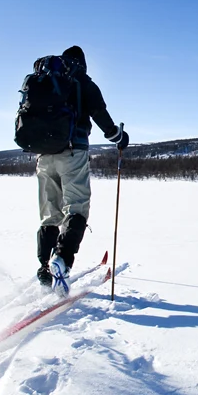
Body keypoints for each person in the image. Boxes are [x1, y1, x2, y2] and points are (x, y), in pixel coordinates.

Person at [35, 45, 128, 295]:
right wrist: (118, 137)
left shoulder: (45, 79)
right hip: (72, 152)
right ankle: (62, 259)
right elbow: (100, 115)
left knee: (50, 213)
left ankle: (44, 267)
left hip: (43, 155)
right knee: (77, 207)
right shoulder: (83, 81)